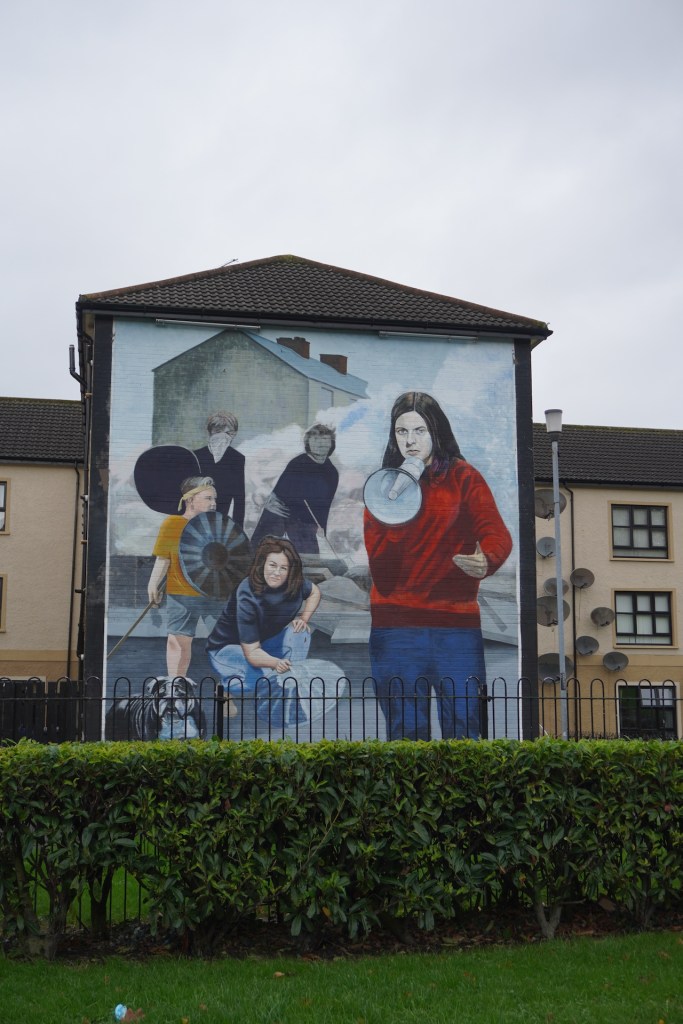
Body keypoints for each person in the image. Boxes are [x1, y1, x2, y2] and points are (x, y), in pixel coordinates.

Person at [363, 391, 513, 741]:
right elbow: (383, 573)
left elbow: (496, 533)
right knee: (405, 733)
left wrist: (487, 559)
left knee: (465, 728)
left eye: (420, 431)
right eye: (401, 431)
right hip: (395, 628)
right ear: (393, 436)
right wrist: (397, 507)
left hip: (455, 627)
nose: (410, 441)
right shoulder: (382, 487)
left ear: (436, 431)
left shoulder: (464, 477)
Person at [206, 536, 321, 708]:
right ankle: (224, 688)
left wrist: (304, 618)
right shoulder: (247, 593)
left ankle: (290, 683)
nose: (277, 573)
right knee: (262, 679)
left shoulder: (294, 584)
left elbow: (314, 592)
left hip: (263, 643)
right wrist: (275, 664)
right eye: (272, 565)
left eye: (283, 568)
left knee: (300, 631)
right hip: (228, 648)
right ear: (263, 564)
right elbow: (252, 653)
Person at [148, 476, 223, 678]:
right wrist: (153, 584)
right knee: (179, 642)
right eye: (208, 498)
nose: (213, 503)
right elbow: (163, 558)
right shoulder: (172, 523)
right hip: (181, 594)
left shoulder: (217, 525)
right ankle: (176, 685)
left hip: (214, 594)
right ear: (190, 500)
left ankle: (227, 688)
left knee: (225, 642)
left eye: (215, 499)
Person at [251, 424, 338, 554]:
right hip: (282, 512)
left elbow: (325, 505)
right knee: (261, 549)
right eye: (315, 439)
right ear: (308, 443)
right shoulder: (298, 463)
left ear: (331, 444)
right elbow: (279, 493)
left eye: (325, 440)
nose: (320, 444)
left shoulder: (332, 472)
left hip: (305, 520)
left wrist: (322, 527)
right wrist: (269, 503)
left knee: (309, 556)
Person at [194, 411, 246, 526]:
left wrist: (238, 530)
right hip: (196, 518)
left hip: (220, 521)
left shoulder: (237, 459)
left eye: (228, 433)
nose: (223, 437)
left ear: (234, 434)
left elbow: (239, 498)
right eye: (218, 432)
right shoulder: (196, 456)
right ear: (210, 432)